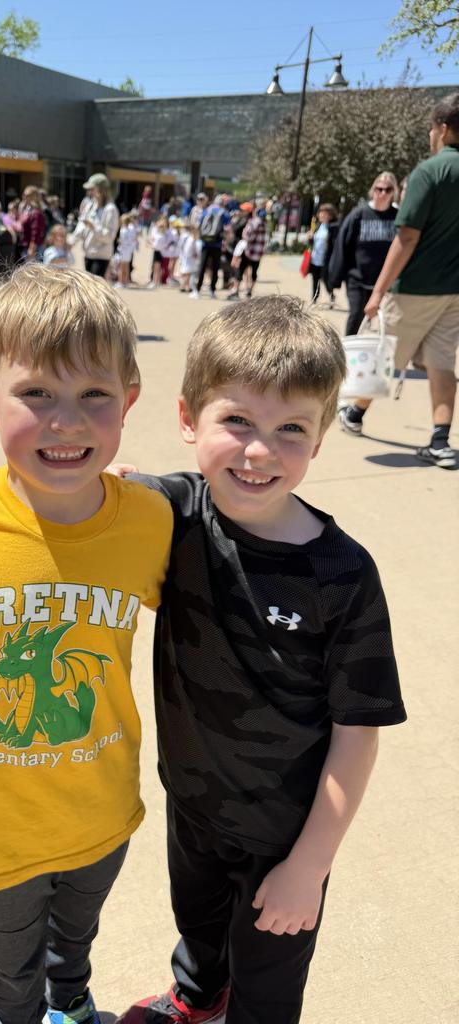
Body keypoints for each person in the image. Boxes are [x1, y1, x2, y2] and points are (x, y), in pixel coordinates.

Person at [119, 296, 406, 1024]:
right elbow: (66, 491)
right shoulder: (173, 514)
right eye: (236, 421)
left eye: (290, 430)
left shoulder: (342, 575)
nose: (259, 451)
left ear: (320, 438)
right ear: (189, 419)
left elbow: (358, 732)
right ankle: (195, 992)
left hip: (285, 833)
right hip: (192, 805)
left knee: (270, 986)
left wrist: (309, 866)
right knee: (200, 929)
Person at [0, 263, 173, 1024]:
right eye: (36, 394)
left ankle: (74, 1005)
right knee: (11, 979)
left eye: (94, 396)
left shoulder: (152, 520)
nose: (67, 421)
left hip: (102, 809)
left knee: (74, 951)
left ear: (128, 401)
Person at [337, 95, 459, 468]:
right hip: (454, 290)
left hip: (415, 287)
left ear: (440, 128)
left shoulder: (430, 172)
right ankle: (441, 441)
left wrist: (377, 291)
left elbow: (406, 237)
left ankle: (355, 413)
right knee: (442, 362)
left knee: (382, 353)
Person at [328, 173, 399, 336]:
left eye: (388, 190)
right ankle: (348, 352)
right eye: (379, 189)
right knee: (357, 314)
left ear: (393, 192)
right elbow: (342, 245)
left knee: (387, 320)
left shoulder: (397, 217)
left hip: (385, 281)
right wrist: (335, 277)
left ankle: (382, 357)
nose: (382, 193)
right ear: (373, 189)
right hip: (357, 278)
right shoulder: (359, 214)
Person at [72, 173, 120, 277]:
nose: (89, 192)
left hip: (101, 255)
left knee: (95, 289)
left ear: (101, 190)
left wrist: (94, 227)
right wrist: (71, 242)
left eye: (92, 189)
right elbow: (81, 226)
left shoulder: (111, 209)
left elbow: (109, 237)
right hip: (88, 253)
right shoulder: (89, 206)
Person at [192, 194, 230, 299]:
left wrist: (198, 238)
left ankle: (197, 290)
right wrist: (225, 241)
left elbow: (197, 226)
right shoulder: (224, 213)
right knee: (215, 267)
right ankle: (212, 290)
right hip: (217, 244)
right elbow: (227, 230)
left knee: (202, 266)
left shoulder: (206, 210)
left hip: (205, 243)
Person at [228, 207, 267, 301]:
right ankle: (250, 291)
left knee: (240, 270)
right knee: (254, 272)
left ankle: (235, 291)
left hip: (249, 251)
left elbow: (247, 236)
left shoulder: (252, 222)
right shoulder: (264, 225)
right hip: (258, 253)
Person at [306, 204, 339, 307]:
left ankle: (332, 296)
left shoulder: (333, 228)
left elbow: (335, 244)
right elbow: (313, 243)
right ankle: (314, 299)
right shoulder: (318, 226)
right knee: (315, 279)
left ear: (330, 215)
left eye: (324, 213)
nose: (321, 215)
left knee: (326, 280)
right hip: (315, 258)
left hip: (326, 259)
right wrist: (310, 238)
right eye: (320, 213)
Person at [177, 222, 202, 293]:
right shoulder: (190, 238)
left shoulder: (187, 237)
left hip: (186, 256)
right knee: (187, 272)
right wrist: (193, 255)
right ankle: (184, 286)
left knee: (186, 271)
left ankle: (186, 286)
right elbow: (189, 249)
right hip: (189, 257)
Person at [116, 212, 138, 287]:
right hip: (128, 250)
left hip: (123, 250)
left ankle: (121, 281)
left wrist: (119, 241)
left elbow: (122, 241)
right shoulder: (131, 229)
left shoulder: (123, 230)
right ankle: (126, 281)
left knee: (121, 267)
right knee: (127, 266)